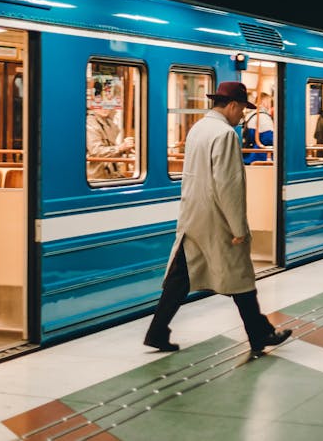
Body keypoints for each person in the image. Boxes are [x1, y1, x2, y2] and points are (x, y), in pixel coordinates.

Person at [143, 81, 292, 355]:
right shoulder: (225, 134)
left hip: (193, 215)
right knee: (241, 279)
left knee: (180, 278)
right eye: (242, 111)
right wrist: (239, 227)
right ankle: (260, 335)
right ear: (233, 105)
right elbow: (229, 184)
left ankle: (157, 331)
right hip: (217, 219)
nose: (241, 117)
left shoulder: (197, 128)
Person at [86, 106, 134, 179]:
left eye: (108, 105)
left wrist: (125, 151)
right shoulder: (90, 123)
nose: (105, 108)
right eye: (100, 105)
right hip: (97, 176)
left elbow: (111, 150)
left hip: (110, 173)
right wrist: (120, 148)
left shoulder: (109, 122)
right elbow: (96, 151)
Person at [242, 92, 274, 164]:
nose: (270, 105)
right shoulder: (263, 117)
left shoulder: (250, 115)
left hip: (248, 156)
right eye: (269, 101)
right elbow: (268, 138)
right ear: (263, 101)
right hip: (260, 157)